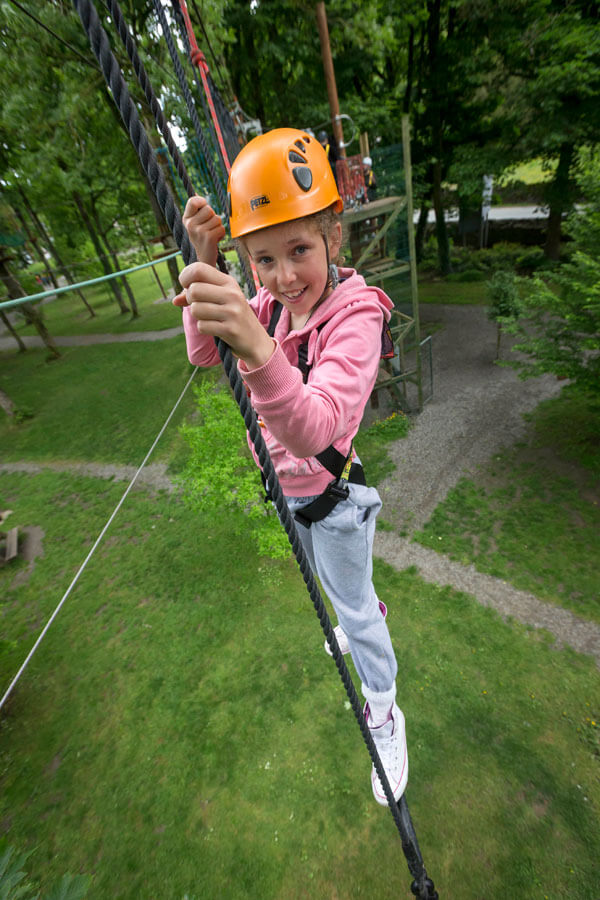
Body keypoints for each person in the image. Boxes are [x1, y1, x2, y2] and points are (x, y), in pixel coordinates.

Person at [174, 128, 408, 806]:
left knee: (357, 614)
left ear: (333, 235)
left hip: (334, 501)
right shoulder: (271, 306)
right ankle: (353, 609)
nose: (283, 277)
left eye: (299, 250)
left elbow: (311, 430)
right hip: (287, 494)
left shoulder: (355, 319)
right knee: (334, 588)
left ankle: (385, 709)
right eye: (263, 259)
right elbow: (204, 353)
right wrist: (205, 261)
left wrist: (256, 345)